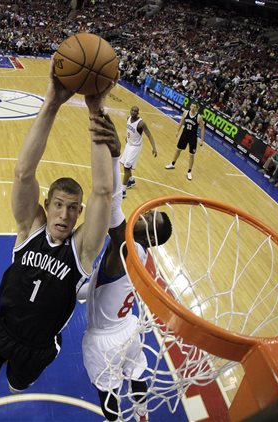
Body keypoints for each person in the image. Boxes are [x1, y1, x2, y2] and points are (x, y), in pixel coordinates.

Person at [0, 59, 118, 393]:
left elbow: (103, 191)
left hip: (39, 346)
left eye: (71, 209)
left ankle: (19, 375)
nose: (64, 216)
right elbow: (24, 173)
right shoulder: (31, 227)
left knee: (16, 384)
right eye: (58, 206)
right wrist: (52, 102)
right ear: (46, 206)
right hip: (2, 329)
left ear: (79, 212)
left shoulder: (82, 249)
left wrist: (95, 108)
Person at [79, 152, 172, 421]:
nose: (143, 214)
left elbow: (112, 203)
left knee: (107, 390)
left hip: (105, 338)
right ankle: (143, 414)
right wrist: (80, 292)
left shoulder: (125, 248)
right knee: (136, 371)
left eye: (148, 218)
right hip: (129, 327)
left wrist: (113, 156)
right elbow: (102, 285)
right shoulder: (142, 254)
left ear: (149, 235)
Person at [120, 105, 157, 198]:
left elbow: (149, 135)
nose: (133, 112)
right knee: (124, 165)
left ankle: (123, 191)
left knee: (127, 167)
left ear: (138, 113)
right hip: (129, 144)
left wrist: (154, 148)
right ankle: (131, 180)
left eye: (135, 111)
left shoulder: (141, 123)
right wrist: (127, 137)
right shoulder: (128, 118)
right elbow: (129, 130)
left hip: (135, 147)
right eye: (132, 110)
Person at [165, 102, 205, 181]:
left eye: (194, 107)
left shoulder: (199, 117)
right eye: (192, 106)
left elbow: (202, 128)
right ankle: (172, 164)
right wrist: (177, 131)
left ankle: (189, 172)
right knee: (178, 150)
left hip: (193, 137)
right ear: (190, 106)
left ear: (197, 108)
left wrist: (202, 140)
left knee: (191, 155)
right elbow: (182, 121)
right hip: (184, 134)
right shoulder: (186, 112)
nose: (192, 108)